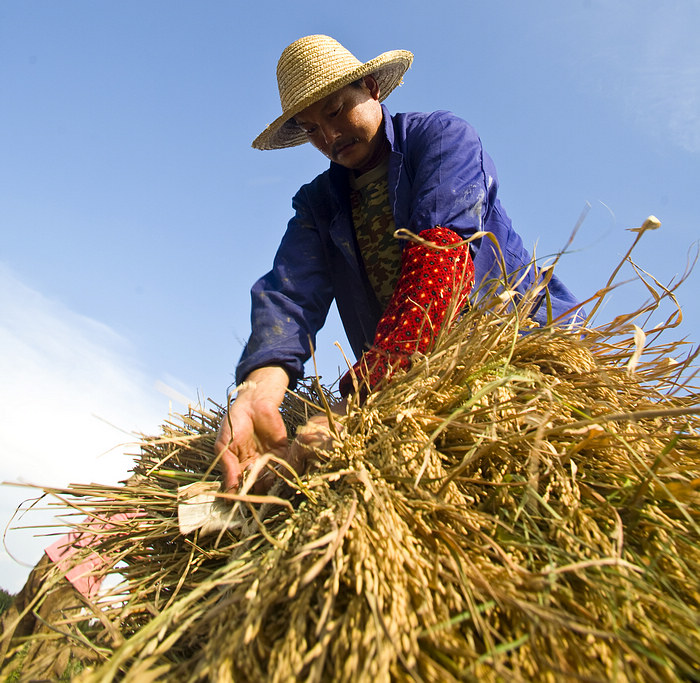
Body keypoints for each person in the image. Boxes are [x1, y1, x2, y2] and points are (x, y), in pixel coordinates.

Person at [214, 35, 583, 492]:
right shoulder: (318, 203)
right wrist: (260, 386)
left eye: (334, 111)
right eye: (310, 129)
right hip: (405, 376)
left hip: (510, 343)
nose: (329, 137)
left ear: (370, 88)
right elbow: (290, 293)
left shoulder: (442, 139)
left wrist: (368, 393)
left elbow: (442, 252)